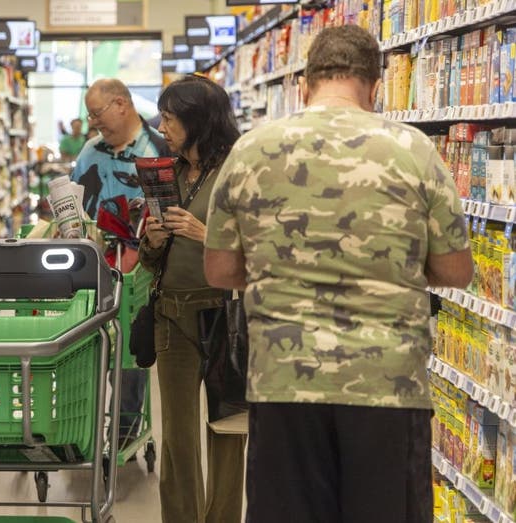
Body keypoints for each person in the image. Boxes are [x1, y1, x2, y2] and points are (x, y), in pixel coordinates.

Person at [203, 25, 473, 523]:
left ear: (304, 84)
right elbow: (456, 270)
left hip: (284, 384)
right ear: (375, 84)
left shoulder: (252, 150)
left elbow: (219, 269)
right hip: (388, 386)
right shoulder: (413, 150)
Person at [138, 74, 244, 523]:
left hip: (223, 316)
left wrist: (207, 235)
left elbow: (260, 248)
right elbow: (147, 260)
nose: (162, 126)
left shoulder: (236, 173)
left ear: (199, 120)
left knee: (226, 432)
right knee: (178, 439)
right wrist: (156, 238)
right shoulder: (170, 173)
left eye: (170, 117)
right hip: (172, 318)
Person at [71, 78, 168, 447]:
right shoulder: (89, 152)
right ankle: (80, 431)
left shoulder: (160, 149)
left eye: (98, 113)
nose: (94, 122)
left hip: (142, 272)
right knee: (85, 348)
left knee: (128, 357)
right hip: (93, 270)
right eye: (90, 115)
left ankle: (124, 433)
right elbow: (75, 205)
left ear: (122, 105)